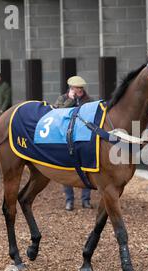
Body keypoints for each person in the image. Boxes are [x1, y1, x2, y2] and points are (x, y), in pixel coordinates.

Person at [54, 75, 93, 211]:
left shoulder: (89, 100)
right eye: (77, 88)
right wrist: (70, 100)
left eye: (81, 88)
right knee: (67, 168)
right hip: (67, 138)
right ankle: (69, 200)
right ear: (71, 88)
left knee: (86, 167)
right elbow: (58, 113)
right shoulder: (63, 99)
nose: (80, 90)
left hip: (83, 138)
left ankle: (86, 200)